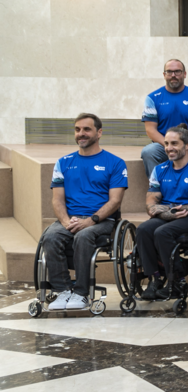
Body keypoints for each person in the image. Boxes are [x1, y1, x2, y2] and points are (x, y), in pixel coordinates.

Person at [40, 114, 128, 310]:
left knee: (84, 235)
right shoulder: (63, 162)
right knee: (50, 237)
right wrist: (65, 222)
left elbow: (115, 201)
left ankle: (81, 293)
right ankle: (63, 291)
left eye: (87, 129)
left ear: (99, 133)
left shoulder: (115, 163)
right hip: (70, 219)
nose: (81, 134)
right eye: (78, 129)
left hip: (101, 220)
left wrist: (91, 220)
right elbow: (57, 199)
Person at [137, 125, 188, 300]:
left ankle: (177, 281)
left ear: (187, 145)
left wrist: (175, 210)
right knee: (143, 229)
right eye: (166, 143)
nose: (168, 148)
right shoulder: (159, 170)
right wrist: (166, 213)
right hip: (167, 215)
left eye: (174, 143)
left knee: (162, 232)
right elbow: (150, 203)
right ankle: (155, 278)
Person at [141, 59, 188, 176]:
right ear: (164, 75)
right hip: (162, 144)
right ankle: (157, 189)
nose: (173, 75)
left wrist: (187, 145)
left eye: (177, 72)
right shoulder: (152, 98)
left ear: (184, 74)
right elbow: (150, 129)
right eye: (169, 72)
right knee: (148, 152)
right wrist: (169, 146)